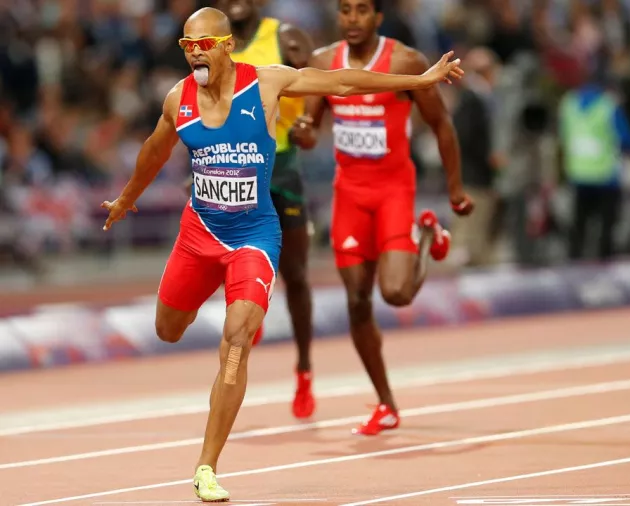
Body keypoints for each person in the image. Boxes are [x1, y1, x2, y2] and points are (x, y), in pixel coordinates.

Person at [100, 6, 464, 501]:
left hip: (254, 236)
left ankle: (206, 466)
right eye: (186, 46)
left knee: (235, 344)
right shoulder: (177, 98)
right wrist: (127, 198)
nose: (194, 54)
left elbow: (340, 83)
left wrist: (419, 78)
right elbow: (155, 148)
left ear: (226, 45)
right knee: (168, 329)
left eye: (202, 44)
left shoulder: (266, 83)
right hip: (198, 235)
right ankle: (228, 314)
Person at [291, 0, 473, 435]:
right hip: (349, 194)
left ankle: (426, 235)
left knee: (395, 294)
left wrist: (454, 189)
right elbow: (313, 130)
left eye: (361, 11)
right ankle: (386, 403)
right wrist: (304, 132)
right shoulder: (322, 62)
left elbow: (441, 124)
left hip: (393, 190)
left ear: (377, 18)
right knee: (357, 302)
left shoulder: (405, 60)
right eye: (345, 11)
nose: (351, 19)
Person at [215, 0, 318, 419]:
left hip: (282, 165)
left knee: (295, 273)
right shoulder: (213, 44)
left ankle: (305, 370)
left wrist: (310, 125)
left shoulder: (286, 37)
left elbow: (317, 85)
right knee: (233, 267)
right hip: (234, 166)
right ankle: (239, 350)